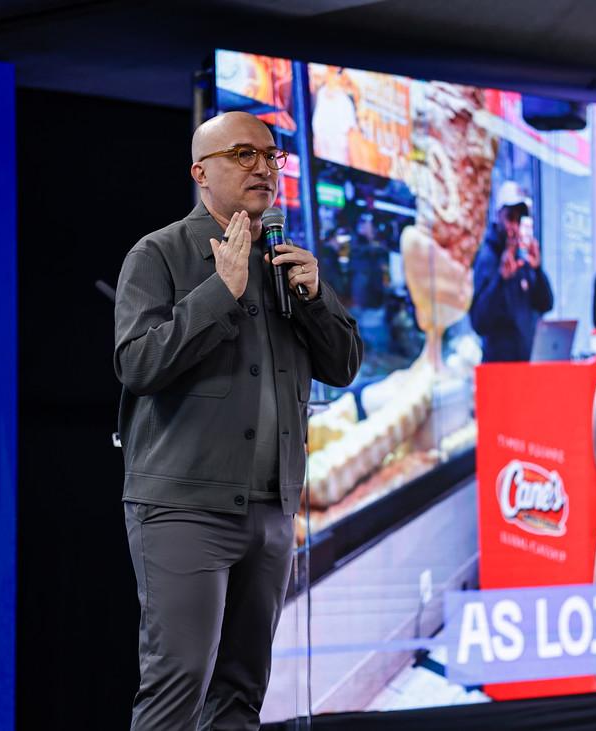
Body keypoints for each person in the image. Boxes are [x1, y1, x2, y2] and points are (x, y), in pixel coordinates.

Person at [113, 111, 362, 730]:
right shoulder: (160, 253)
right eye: (244, 154)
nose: (263, 168)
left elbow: (345, 365)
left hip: (272, 510)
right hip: (185, 506)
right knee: (178, 686)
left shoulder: (284, 261)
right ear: (201, 171)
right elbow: (137, 363)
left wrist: (316, 298)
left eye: (271, 156)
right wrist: (217, 292)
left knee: (242, 693)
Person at [470, 182, 554, 362]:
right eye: (510, 218)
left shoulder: (522, 258)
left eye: (519, 219)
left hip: (525, 365)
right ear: (498, 216)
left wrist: (537, 270)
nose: (514, 227)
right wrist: (500, 280)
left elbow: (545, 304)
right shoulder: (487, 258)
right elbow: (479, 322)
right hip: (499, 372)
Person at [350, 212, 391, 353]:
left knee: (378, 339)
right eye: (364, 224)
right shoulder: (359, 248)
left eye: (369, 224)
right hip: (366, 299)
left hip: (376, 298)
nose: (367, 227)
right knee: (370, 335)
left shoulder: (377, 246)